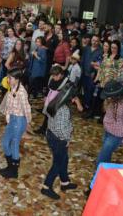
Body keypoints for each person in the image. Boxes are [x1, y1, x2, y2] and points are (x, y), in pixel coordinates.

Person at [41, 65, 82, 200]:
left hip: (50, 135)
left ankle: (65, 182)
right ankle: (46, 187)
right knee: (57, 163)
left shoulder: (54, 102)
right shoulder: (63, 110)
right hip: (59, 139)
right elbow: (61, 129)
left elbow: (48, 117)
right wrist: (67, 138)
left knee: (64, 160)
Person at [0, 68, 31, 179]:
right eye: (8, 77)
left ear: (17, 79)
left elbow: (27, 108)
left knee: (14, 145)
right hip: (12, 119)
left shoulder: (21, 92)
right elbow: (8, 105)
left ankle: (13, 171)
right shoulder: (11, 88)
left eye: (10, 78)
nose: (8, 79)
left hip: (19, 120)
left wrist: (28, 122)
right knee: (5, 143)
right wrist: (7, 117)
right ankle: (10, 166)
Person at [96, 80, 123, 165]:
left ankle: (99, 174)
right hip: (107, 132)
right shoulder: (110, 102)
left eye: (109, 96)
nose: (107, 98)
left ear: (116, 96)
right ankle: (107, 172)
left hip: (116, 136)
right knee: (107, 155)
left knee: (101, 159)